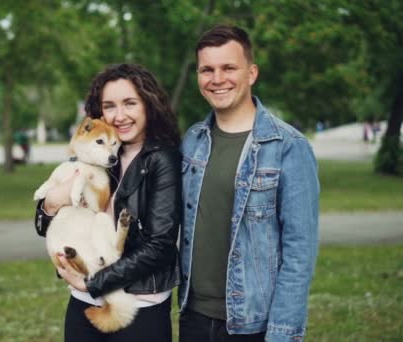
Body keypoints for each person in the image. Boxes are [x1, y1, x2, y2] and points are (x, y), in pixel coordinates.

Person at [178, 25, 320, 342]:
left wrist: (281, 334)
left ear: (251, 73)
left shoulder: (289, 147)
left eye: (229, 68)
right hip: (193, 318)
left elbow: (299, 255)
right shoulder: (192, 142)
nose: (217, 79)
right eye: (207, 70)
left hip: (253, 325)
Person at [34, 63, 182, 342]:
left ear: (148, 104)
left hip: (138, 306)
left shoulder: (162, 159)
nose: (119, 116)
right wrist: (50, 204)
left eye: (129, 103)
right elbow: (48, 222)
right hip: (83, 301)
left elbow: (160, 246)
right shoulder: (100, 151)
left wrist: (94, 283)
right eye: (109, 106)